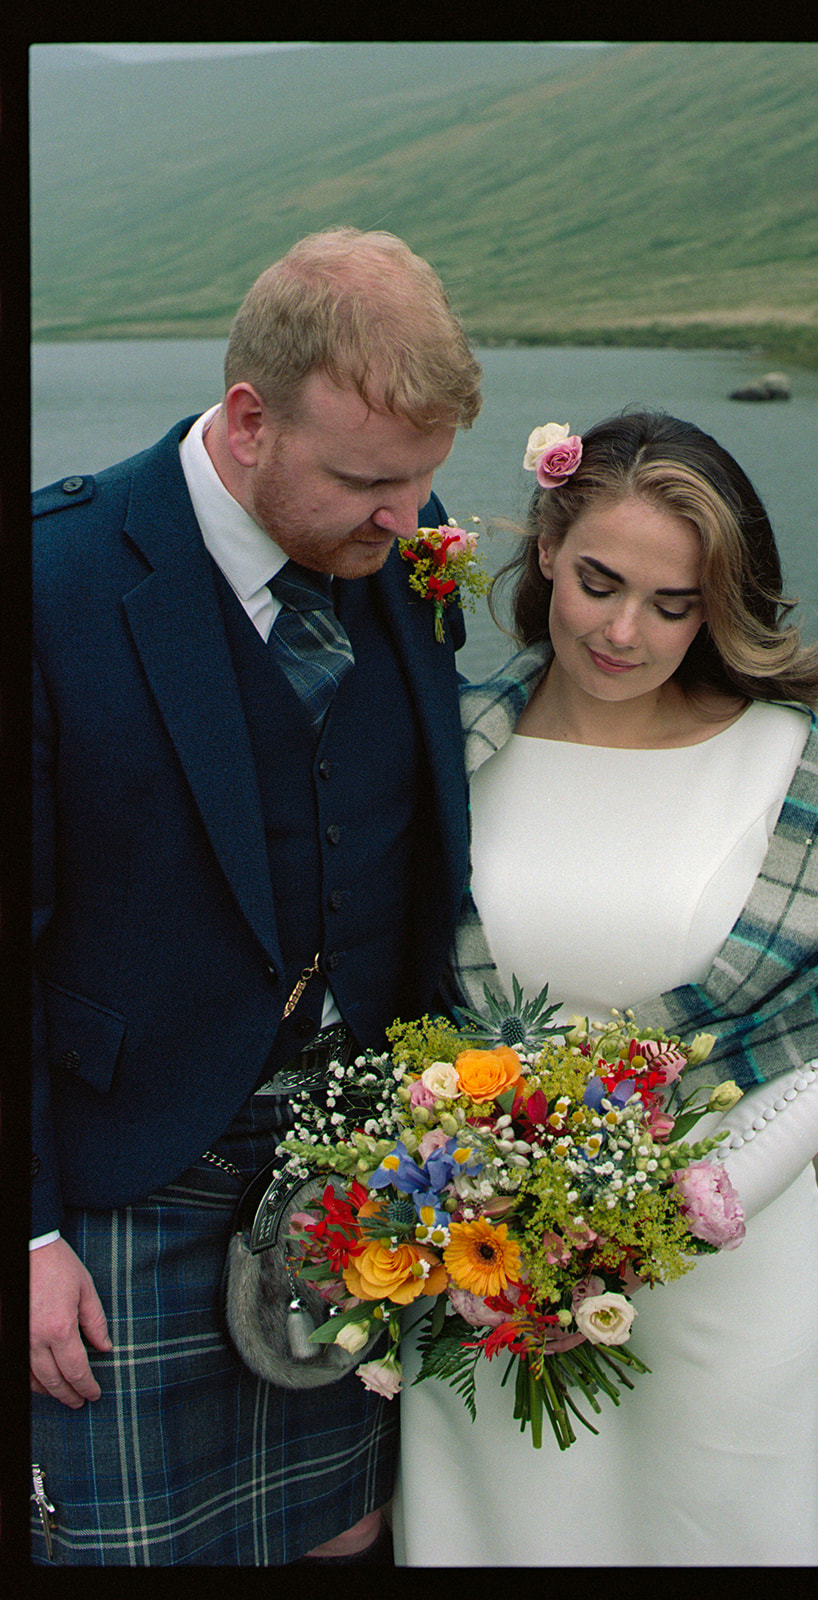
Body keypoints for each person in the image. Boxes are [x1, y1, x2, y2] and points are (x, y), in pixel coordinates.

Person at [31, 225, 482, 1566]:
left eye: (420, 484)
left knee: (350, 1533)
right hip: (125, 1179)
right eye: (362, 482)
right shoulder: (57, 581)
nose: (404, 523)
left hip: (351, 1176)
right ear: (244, 422)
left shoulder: (402, 538)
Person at [393, 410, 818, 1566]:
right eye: (601, 584)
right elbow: (398, 994)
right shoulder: (458, 747)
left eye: (673, 606)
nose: (625, 632)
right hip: (486, 1275)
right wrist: (511, 1223)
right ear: (549, 548)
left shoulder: (782, 758)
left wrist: (654, 1225)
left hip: (726, 1280)